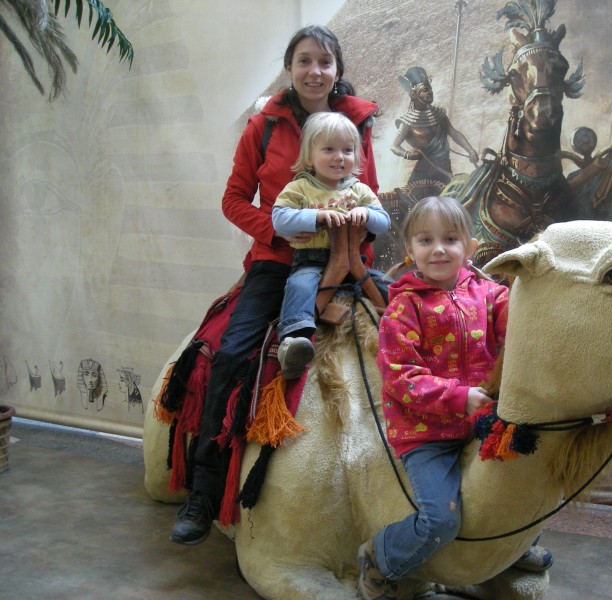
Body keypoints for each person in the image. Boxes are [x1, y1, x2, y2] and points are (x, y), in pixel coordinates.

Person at [171, 24, 380, 546]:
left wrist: (358, 247)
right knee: (231, 353)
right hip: (276, 263)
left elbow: (370, 195)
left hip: (346, 261)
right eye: (304, 60)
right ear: (290, 67)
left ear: (337, 69)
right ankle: (204, 490)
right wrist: (279, 230)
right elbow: (234, 198)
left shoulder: (358, 123)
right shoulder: (262, 126)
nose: (314, 71)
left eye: (324, 62)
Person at [357, 196, 552, 599]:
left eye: (449, 239)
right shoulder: (403, 308)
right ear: (410, 250)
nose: (439, 249)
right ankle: (381, 557)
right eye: (425, 240)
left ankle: (516, 546)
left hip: (481, 421)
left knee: (523, 482)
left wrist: (536, 293)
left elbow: (519, 327)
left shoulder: (490, 294)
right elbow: (400, 377)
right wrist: (457, 397)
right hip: (426, 432)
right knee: (440, 521)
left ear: (470, 246)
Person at [272, 112, 390, 379]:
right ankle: (293, 340)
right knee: (300, 286)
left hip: (356, 263)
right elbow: (280, 219)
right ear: (309, 156)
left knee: (388, 284)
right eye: (329, 150)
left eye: (347, 150)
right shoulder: (300, 187)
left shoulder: (359, 190)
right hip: (311, 261)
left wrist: (366, 213)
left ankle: (409, 325)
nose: (339, 157)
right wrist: (315, 216)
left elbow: (383, 222)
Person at [390, 66, 479, 186]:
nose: (430, 92)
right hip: (423, 175)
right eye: (425, 90)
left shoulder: (439, 114)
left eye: (430, 89)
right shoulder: (407, 122)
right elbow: (394, 146)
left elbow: (454, 133)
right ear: (414, 94)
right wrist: (407, 154)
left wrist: (471, 151)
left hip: (445, 169)